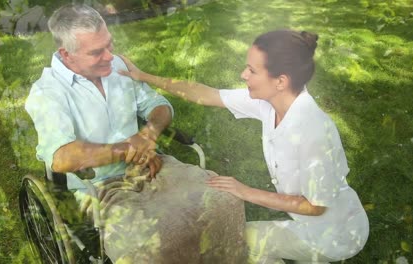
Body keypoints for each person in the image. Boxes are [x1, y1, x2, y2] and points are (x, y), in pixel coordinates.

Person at [119, 29, 370, 263]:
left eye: (252, 70)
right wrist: (143, 77)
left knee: (239, 239)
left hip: (336, 234)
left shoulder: (314, 132)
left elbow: (315, 206)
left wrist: (245, 191)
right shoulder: (271, 101)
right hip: (317, 220)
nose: (243, 75)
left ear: (280, 81)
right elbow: (204, 93)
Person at [25, 4, 247, 263]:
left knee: (226, 199)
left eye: (110, 44)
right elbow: (62, 156)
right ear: (66, 54)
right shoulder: (47, 93)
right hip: (98, 187)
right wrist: (130, 149)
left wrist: (148, 135)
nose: (110, 56)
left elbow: (159, 106)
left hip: (152, 164)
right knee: (149, 244)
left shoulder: (116, 66)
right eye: (97, 52)